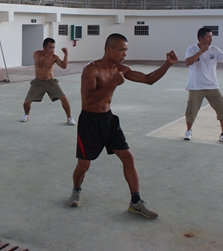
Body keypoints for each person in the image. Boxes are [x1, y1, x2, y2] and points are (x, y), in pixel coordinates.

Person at [68, 33, 178, 219]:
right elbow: (89, 98)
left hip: (109, 120)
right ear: (109, 49)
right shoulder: (91, 69)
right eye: (121, 50)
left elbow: (148, 79)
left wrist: (168, 64)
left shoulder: (121, 69)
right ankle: (77, 189)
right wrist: (112, 83)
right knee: (84, 165)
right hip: (90, 122)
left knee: (128, 157)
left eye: (126, 50)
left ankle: (136, 202)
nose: (124, 54)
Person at [183, 27, 223, 144]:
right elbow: (188, 62)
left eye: (211, 37)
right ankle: (189, 131)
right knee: (192, 110)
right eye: (209, 37)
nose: (211, 39)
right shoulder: (191, 49)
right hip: (196, 86)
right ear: (201, 38)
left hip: (212, 86)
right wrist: (201, 51)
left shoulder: (214, 50)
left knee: (222, 109)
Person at [21, 37, 76, 125]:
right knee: (27, 102)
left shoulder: (54, 57)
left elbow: (63, 66)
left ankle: (69, 117)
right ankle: (26, 114)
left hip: (50, 82)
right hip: (38, 82)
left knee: (64, 98)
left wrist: (66, 54)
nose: (52, 49)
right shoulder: (37, 53)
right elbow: (39, 64)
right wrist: (47, 55)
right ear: (44, 47)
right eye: (50, 47)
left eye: (53, 47)